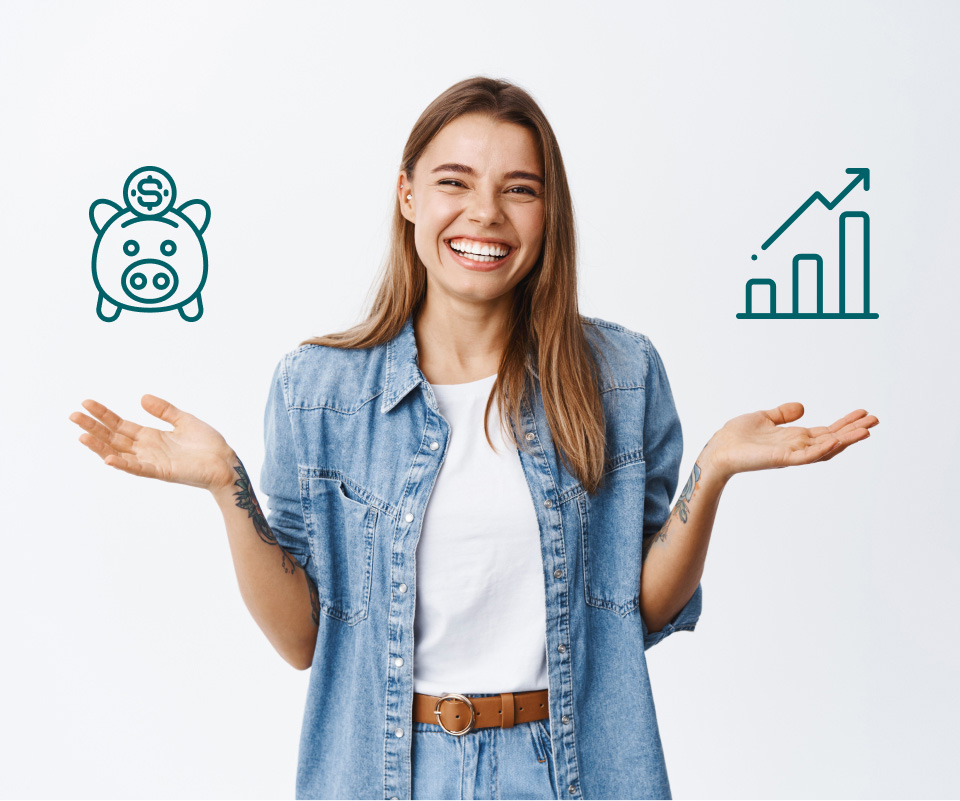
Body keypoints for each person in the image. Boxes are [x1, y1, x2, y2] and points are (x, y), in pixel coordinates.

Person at [69, 76, 879, 800]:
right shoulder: (319, 390)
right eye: (454, 181)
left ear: (547, 211)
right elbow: (300, 639)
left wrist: (715, 470)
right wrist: (226, 485)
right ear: (408, 196)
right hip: (389, 770)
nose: (485, 213)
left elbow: (639, 609)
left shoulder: (620, 375)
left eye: (518, 189)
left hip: (570, 768)